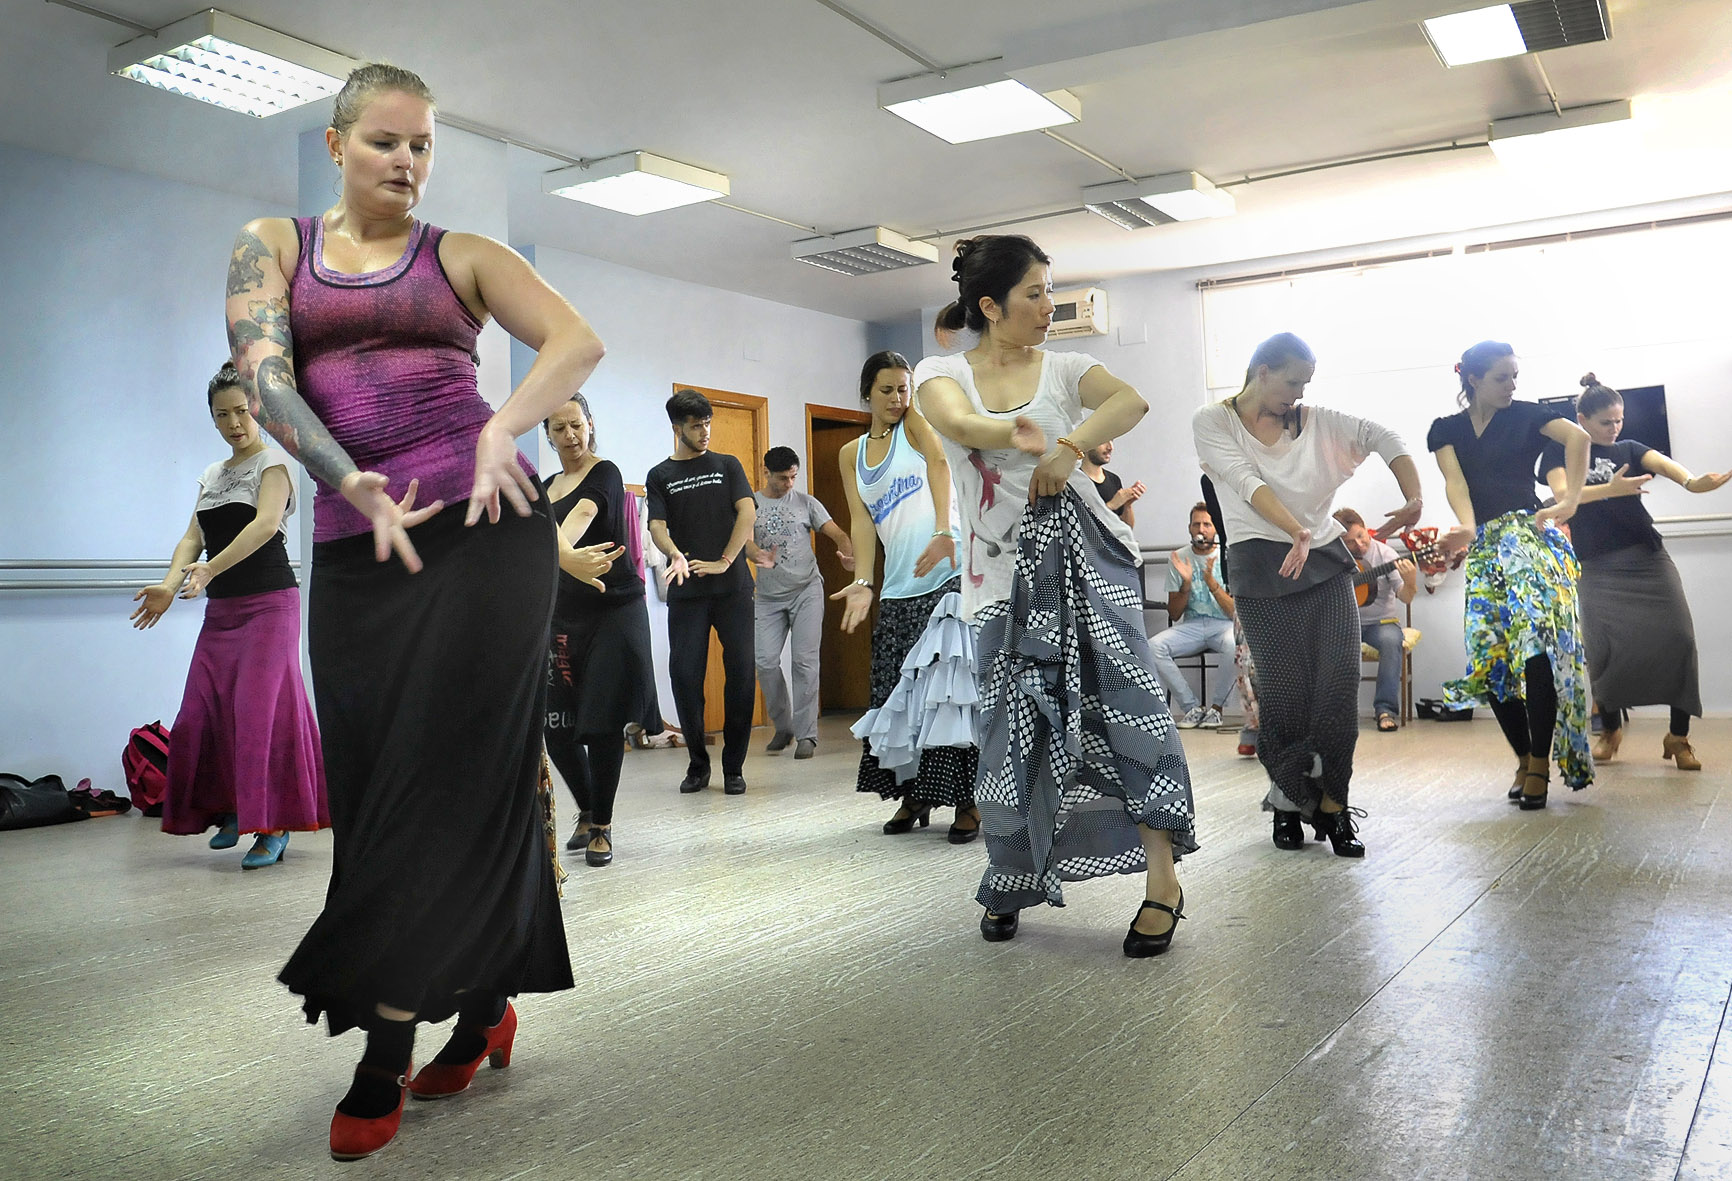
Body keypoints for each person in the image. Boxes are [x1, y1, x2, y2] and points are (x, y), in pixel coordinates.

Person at [225, 64, 608, 1161]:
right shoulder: (275, 244)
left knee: (463, 777)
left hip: (489, 535)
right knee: (375, 781)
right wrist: (346, 479)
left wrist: (503, 427)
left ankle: (385, 1042)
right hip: (361, 545)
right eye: (385, 141)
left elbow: (575, 342)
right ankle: (485, 1005)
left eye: (423, 145)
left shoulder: (463, 256)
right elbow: (266, 377)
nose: (406, 161)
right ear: (337, 143)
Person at [915, 234, 1197, 957]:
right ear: (989, 306)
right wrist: (1014, 433)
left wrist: (1067, 448)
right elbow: (957, 424)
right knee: (1012, 739)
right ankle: (1013, 874)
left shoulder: (1067, 367)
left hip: (1088, 569)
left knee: (1133, 716)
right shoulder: (941, 371)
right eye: (1034, 293)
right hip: (997, 587)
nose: (1049, 306)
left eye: (1050, 290)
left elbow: (1130, 400)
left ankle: (1162, 883)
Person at [1192, 332, 1423, 857]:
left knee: (1338, 688)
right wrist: (1293, 528)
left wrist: (1413, 496)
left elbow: (1384, 436)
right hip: (1259, 567)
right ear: (1262, 372)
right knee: (1284, 694)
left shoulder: (1316, 421)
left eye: (1306, 384)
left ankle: (1335, 806)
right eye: (1293, 382)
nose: (1299, 394)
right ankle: (1289, 801)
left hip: (1323, 563)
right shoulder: (1213, 421)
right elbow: (1244, 480)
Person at [130, 362, 328, 869]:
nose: (234, 423)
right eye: (223, 415)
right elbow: (191, 537)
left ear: (256, 410)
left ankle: (273, 825)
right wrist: (169, 584)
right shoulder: (213, 475)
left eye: (242, 411)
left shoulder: (274, 464)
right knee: (199, 714)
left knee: (258, 715)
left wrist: (210, 569)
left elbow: (264, 525)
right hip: (222, 613)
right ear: (213, 418)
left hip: (270, 605)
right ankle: (238, 807)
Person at [1429, 341, 1593, 810]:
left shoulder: (1527, 415)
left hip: (1527, 542)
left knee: (1536, 652)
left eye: (1515, 376)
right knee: (1491, 657)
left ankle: (1540, 763)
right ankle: (1523, 757)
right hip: (1485, 548)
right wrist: (1466, 527)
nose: (1512, 385)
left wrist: (1571, 500)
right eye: (1502, 377)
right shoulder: (1446, 430)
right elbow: (1456, 483)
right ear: (1474, 379)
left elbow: (1579, 439)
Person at [1541, 373, 1728, 771]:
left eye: (1619, 420)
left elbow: (1671, 468)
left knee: (1679, 640)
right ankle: (1610, 730)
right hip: (1596, 565)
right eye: (1606, 422)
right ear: (1581, 420)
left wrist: (1694, 483)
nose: (1615, 427)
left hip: (1647, 558)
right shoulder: (1560, 452)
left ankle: (1678, 737)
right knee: (1602, 649)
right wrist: (1609, 490)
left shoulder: (1629, 448)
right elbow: (1563, 497)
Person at [832, 351, 980, 842]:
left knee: (948, 695)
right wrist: (863, 583)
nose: (898, 398)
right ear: (866, 394)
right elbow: (861, 521)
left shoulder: (915, 425)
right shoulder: (851, 453)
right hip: (898, 585)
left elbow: (938, 462)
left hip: (946, 575)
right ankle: (914, 795)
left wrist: (943, 531)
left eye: (904, 388)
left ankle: (968, 802)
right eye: (887, 390)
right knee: (901, 695)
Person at [541, 392, 652, 868]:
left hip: (613, 611)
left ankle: (602, 825)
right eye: (559, 428)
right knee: (556, 726)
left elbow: (583, 515)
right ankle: (586, 809)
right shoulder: (544, 487)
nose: (570, 436)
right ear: (547, 434)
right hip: (563, 615)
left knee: (603, 719)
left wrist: (559, 549)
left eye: (577, 424)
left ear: (590, 424)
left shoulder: (604, 472)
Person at [646, 389, 757, 796]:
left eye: (708, 423)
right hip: (688, 591)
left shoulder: (727, 465)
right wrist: (674, 554)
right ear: (677, 428)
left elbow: (747, 512)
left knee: (742, 673)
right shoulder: (660, 475)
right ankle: (697, 764)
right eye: (696, 426)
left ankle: (734, 767)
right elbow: (657, 526)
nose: (705, 431)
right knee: (684, 676)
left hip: (733, 588)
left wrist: (726, 560)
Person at [745, 446, 854, 759]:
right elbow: (745, 541)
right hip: (767, 597)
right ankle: (784, 726)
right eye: (783, 478)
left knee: (804, 662)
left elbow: (838, 533)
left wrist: (848, 554)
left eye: (793, 477)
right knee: (765, 661)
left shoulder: (807, 503)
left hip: (806, 590)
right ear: (766, 472)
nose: (789, 483)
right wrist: (757, 554)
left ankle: (807, 735)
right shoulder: (751, 503)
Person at [1149, 502, 1237, 729]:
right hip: (1193, 626)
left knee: (1234, 642)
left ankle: (1216, 710)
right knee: (1153, 646)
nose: (1201, 529)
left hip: (1224, 626)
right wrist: (1186, 585)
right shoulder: (1179, 558)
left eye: (1207, 524)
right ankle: (1191, 708)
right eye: (1196, 524)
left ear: (1215, 528)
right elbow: (1174, 613)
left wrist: (1212, 584)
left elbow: (1234, 613)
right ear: (1189, 528)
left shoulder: (1228, 556)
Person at [1335, 507, 1417, 733]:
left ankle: (1385, 710)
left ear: (1365, 528)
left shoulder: (1385, 555)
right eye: (1350, 542)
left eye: (1361, 536)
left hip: (1381, 623)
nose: (1359, 544)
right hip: (1344, 624)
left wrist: (1410, 581)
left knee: (1391, 642)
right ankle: (1334, 713)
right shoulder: (1333, 558)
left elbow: (1405, 596)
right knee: (1320, 645)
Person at [1079, 439, 1145, 524]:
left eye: (1111, 440)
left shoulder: (1114, 480)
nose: (1110, 447)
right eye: (1104, 440)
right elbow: (1082, 526)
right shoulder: (1075, 483)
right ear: (1087, 444)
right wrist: (1111, 505)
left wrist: (1127, 506)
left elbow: (1126, 527)